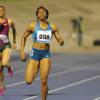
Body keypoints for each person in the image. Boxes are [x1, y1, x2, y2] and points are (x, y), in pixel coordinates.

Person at [20, 6, 64, 100]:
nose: (41, 14)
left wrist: (61, 41)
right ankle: (35, 70)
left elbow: (59, 38)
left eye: (43, 12)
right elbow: (23, 37)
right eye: (39, 12)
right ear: (37, 15)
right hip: (34, 53)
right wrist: (22, 51)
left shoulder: (52, 26)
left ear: (47, 14)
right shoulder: (32, 25)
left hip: (45, 54)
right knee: (28, 81)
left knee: (44, 81)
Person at [0, 5, 17, 95]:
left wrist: (14, 41)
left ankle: (10, 67)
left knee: (4, 63)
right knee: (0, 69)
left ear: (5, 11)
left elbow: (14, 30)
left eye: (3, 10)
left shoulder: (9, 21)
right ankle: (2, 86)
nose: (1, 12)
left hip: (6, 45)